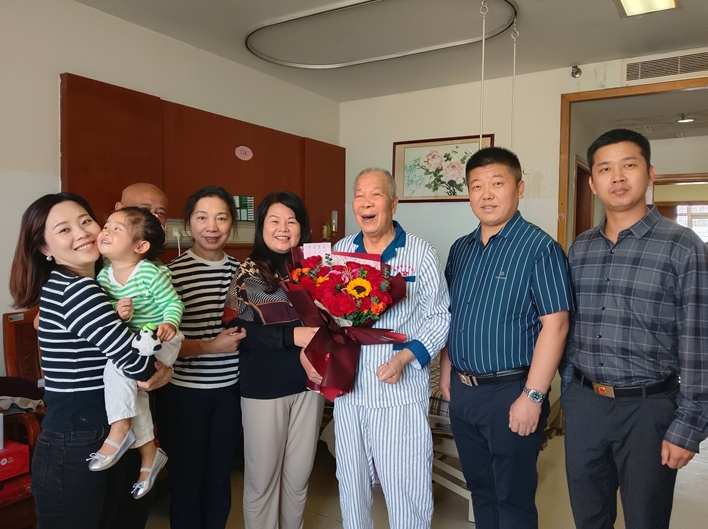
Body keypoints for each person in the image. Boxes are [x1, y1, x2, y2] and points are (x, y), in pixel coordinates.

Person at [562, 128, 708, 529]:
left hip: (649, 409)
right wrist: (570, 392)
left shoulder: (683, 245)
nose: (617, 177)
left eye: (629, 165)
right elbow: (569, 327)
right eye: (605, 169)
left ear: (650, 173)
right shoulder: (580, 248)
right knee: (588, 517)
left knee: (646, 519)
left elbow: (699, 341)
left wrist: (689, 425)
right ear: (592, 183)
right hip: (586, 403)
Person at [8, 193, 171, 529]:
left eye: (85, 221)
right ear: (44, 247)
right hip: (82, 438)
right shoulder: (80, 291)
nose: (82, 232)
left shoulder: (81, 284)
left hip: (89, 432)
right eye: (64, 229)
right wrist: (162, 368)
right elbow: (137, 365)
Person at [440, 147, 572, 529]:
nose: (486, 194)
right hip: (464, 391)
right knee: (480, 490)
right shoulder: (461, 249)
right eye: (476, 186)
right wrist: (447, 371)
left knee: (512, 499)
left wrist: (533, 396)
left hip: (512, 391)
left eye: (497, 184)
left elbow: (556, 324)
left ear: (519, 188)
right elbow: (451, 314)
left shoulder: (539, 248)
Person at [331, 168, 450, 529]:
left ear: (394, 203)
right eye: (359, 195)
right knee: (350, 481)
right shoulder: (341, 251)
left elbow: (439, 316)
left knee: (405, 484)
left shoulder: (420, 253)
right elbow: (328, 314)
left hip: (398, 387)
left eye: (376, 194)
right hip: (350, 387)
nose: (366, 202)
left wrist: (406, 357)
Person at [224, 191, 323, 529]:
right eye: (274, 221)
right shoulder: (247, 273)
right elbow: (237, 332)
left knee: (298, 478)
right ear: (261, 226)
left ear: (302, 227)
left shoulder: (314, 271)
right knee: (262, 482)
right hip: (264, 390)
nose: (283, 228)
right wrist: (291, 337)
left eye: (291, 221)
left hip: (309, 387)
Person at [158, 186, 246, 529]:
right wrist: (211, 347)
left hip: (229, 392)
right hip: (185, 394)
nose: (212, 226)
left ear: (231, 225)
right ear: (188, 224)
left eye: (221, 218)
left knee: (220, 475)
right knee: (186, 477)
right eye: (202, 217)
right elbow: (163, 346)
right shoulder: (171, 274)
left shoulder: (243, 273)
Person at [88, 207, 185, 499]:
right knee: (136, 396)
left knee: (115, 369)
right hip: (136, 341)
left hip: (162, 338)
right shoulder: (104, 277)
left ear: (140, 246)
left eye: (116, 229)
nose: (105, 232)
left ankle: (119, 429)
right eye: (106, 225)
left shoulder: (149, 273)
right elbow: (107, 315)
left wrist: (169, 323)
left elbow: (173, 303)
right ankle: (149, 455)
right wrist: (118, 311)